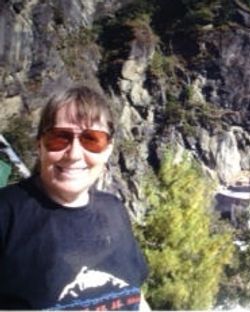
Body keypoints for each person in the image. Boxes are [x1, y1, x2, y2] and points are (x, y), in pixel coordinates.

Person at [0, 85, 148, 310]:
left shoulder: (114, 210)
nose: (74, 154)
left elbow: (136, 296)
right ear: (39, 144)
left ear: (108, 149)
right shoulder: (7, 214)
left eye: (92, 140)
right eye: (59, 138)